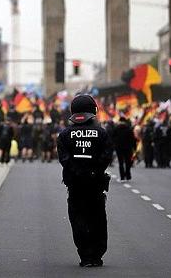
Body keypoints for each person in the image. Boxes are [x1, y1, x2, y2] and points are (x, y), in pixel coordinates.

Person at [57, 93, 113, 268]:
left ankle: (85, 256)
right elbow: (106, 156)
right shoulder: (102, 133)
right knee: (97, 219)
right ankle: (96, 256)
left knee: (78, 219)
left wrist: (78, 172)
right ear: (93, 110)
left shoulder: (64, 135)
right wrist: (93, 172)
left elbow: (64, 159)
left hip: (75, 185)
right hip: (95, 185)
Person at [113, 117, 136, 181]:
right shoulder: (129, 129)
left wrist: (114, 146)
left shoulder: (116, 129)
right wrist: (134, 147)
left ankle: (122, 177)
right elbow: (133, 139)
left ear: (120, 121)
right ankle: (128, 176)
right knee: (128, 162)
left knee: (121, 163)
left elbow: (112, 138)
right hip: (128, 148)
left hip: (119, 148)